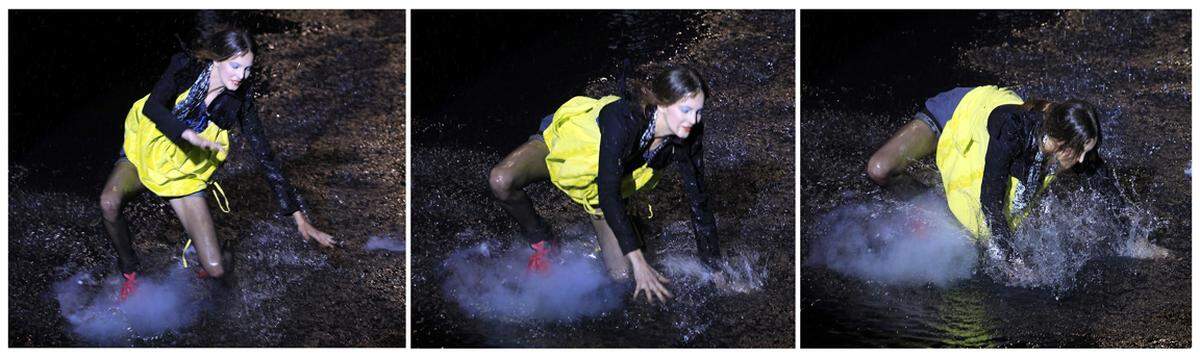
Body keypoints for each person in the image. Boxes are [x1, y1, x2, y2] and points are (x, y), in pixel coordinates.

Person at [98, 21, 335, 301]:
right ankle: (131, 272)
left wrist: (299, 218)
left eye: (247, 68)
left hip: (182, 170)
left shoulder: (239, 100)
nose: (241, 76)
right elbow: (153, 107)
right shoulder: (186, 66)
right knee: (109, 203)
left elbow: (265, 157)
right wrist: (188, 134)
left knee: (216, 270)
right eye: (235, 66)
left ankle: (225, 255)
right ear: (217, 59)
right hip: (147, 145)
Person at [488, 66, 721, 303]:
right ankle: (543, 241)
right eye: (685, 110)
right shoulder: (623, 118)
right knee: (501, 181)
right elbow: (608, 192)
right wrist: (639, 260)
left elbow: (698, 200)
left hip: (599, 187)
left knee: (622, 279)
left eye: (698, 112)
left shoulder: (688, 134)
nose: (693, 120)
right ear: (662, 103)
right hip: (565, 145)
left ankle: (629, 227)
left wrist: (715, 270)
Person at [866, 85, 1103, 259]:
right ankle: (935, 199)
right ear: (1061, 141)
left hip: (986, 139)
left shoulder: (1070, 143)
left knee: (969, 239)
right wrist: (1011, 258)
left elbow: (1100, 176)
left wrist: (1131, 233)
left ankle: (946, 194)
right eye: (1080, 151)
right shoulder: (1013, 131)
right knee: (879, 169)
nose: (1083, 159)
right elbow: (991, 198)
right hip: (958, 109)